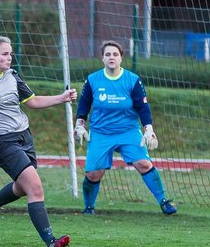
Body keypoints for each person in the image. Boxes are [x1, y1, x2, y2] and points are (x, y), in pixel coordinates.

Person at [0, 36, 76, 247]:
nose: (10, 58)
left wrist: (61, 98)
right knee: (34, 186)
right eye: (5, 54)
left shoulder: (13, 76)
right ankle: (51, 242)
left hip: (24, 136)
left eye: (10, 54)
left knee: (23, 187)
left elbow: (32, 101)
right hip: (3, 142)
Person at [74, 39, 176, 216]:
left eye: (115, 54)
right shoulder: (93, 80)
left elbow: (143, 107)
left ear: (121, 58)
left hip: (127, 131)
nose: (111, 57)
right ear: (102, 58)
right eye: (107, 54)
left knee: (144, 164)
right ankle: (88, 208)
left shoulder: (132, 80)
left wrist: (149, 130)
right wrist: (79, 125)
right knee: (93, 174)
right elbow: (84, 105)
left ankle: (164, 201)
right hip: (100, 132)